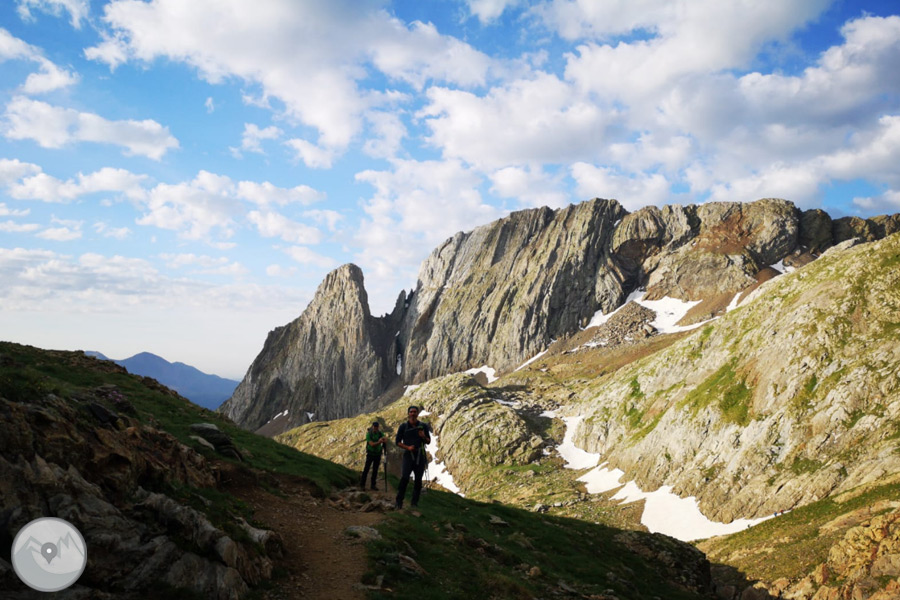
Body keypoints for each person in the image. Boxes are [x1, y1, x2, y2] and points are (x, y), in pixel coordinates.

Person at [394, 405, 431, 509]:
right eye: (411, 412)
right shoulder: (403, 426)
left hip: (420, 455)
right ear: (408, 413)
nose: (413, 414)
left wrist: (423, 436)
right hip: (408, 455)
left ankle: (414, 503)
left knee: (418, 480)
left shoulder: (423, 426)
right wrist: (408, 447)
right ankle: (399, 502)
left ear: (417, 414)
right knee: (405, 478)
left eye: (415, 412)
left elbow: (428, 441)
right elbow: (397, 442)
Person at [360, 421, 386, 490]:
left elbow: (385, 439)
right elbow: (372, 444)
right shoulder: (369, 434)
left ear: (378, 427)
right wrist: (379, 442)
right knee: (366, 469)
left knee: (375, 470)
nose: (375, 428)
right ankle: (362, 484)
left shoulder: (380, 433)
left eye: (376, 427)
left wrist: (383, 439)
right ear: (372, 427)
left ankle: (373, 485)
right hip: (370, 454)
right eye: (374, 426)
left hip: (378, 454)